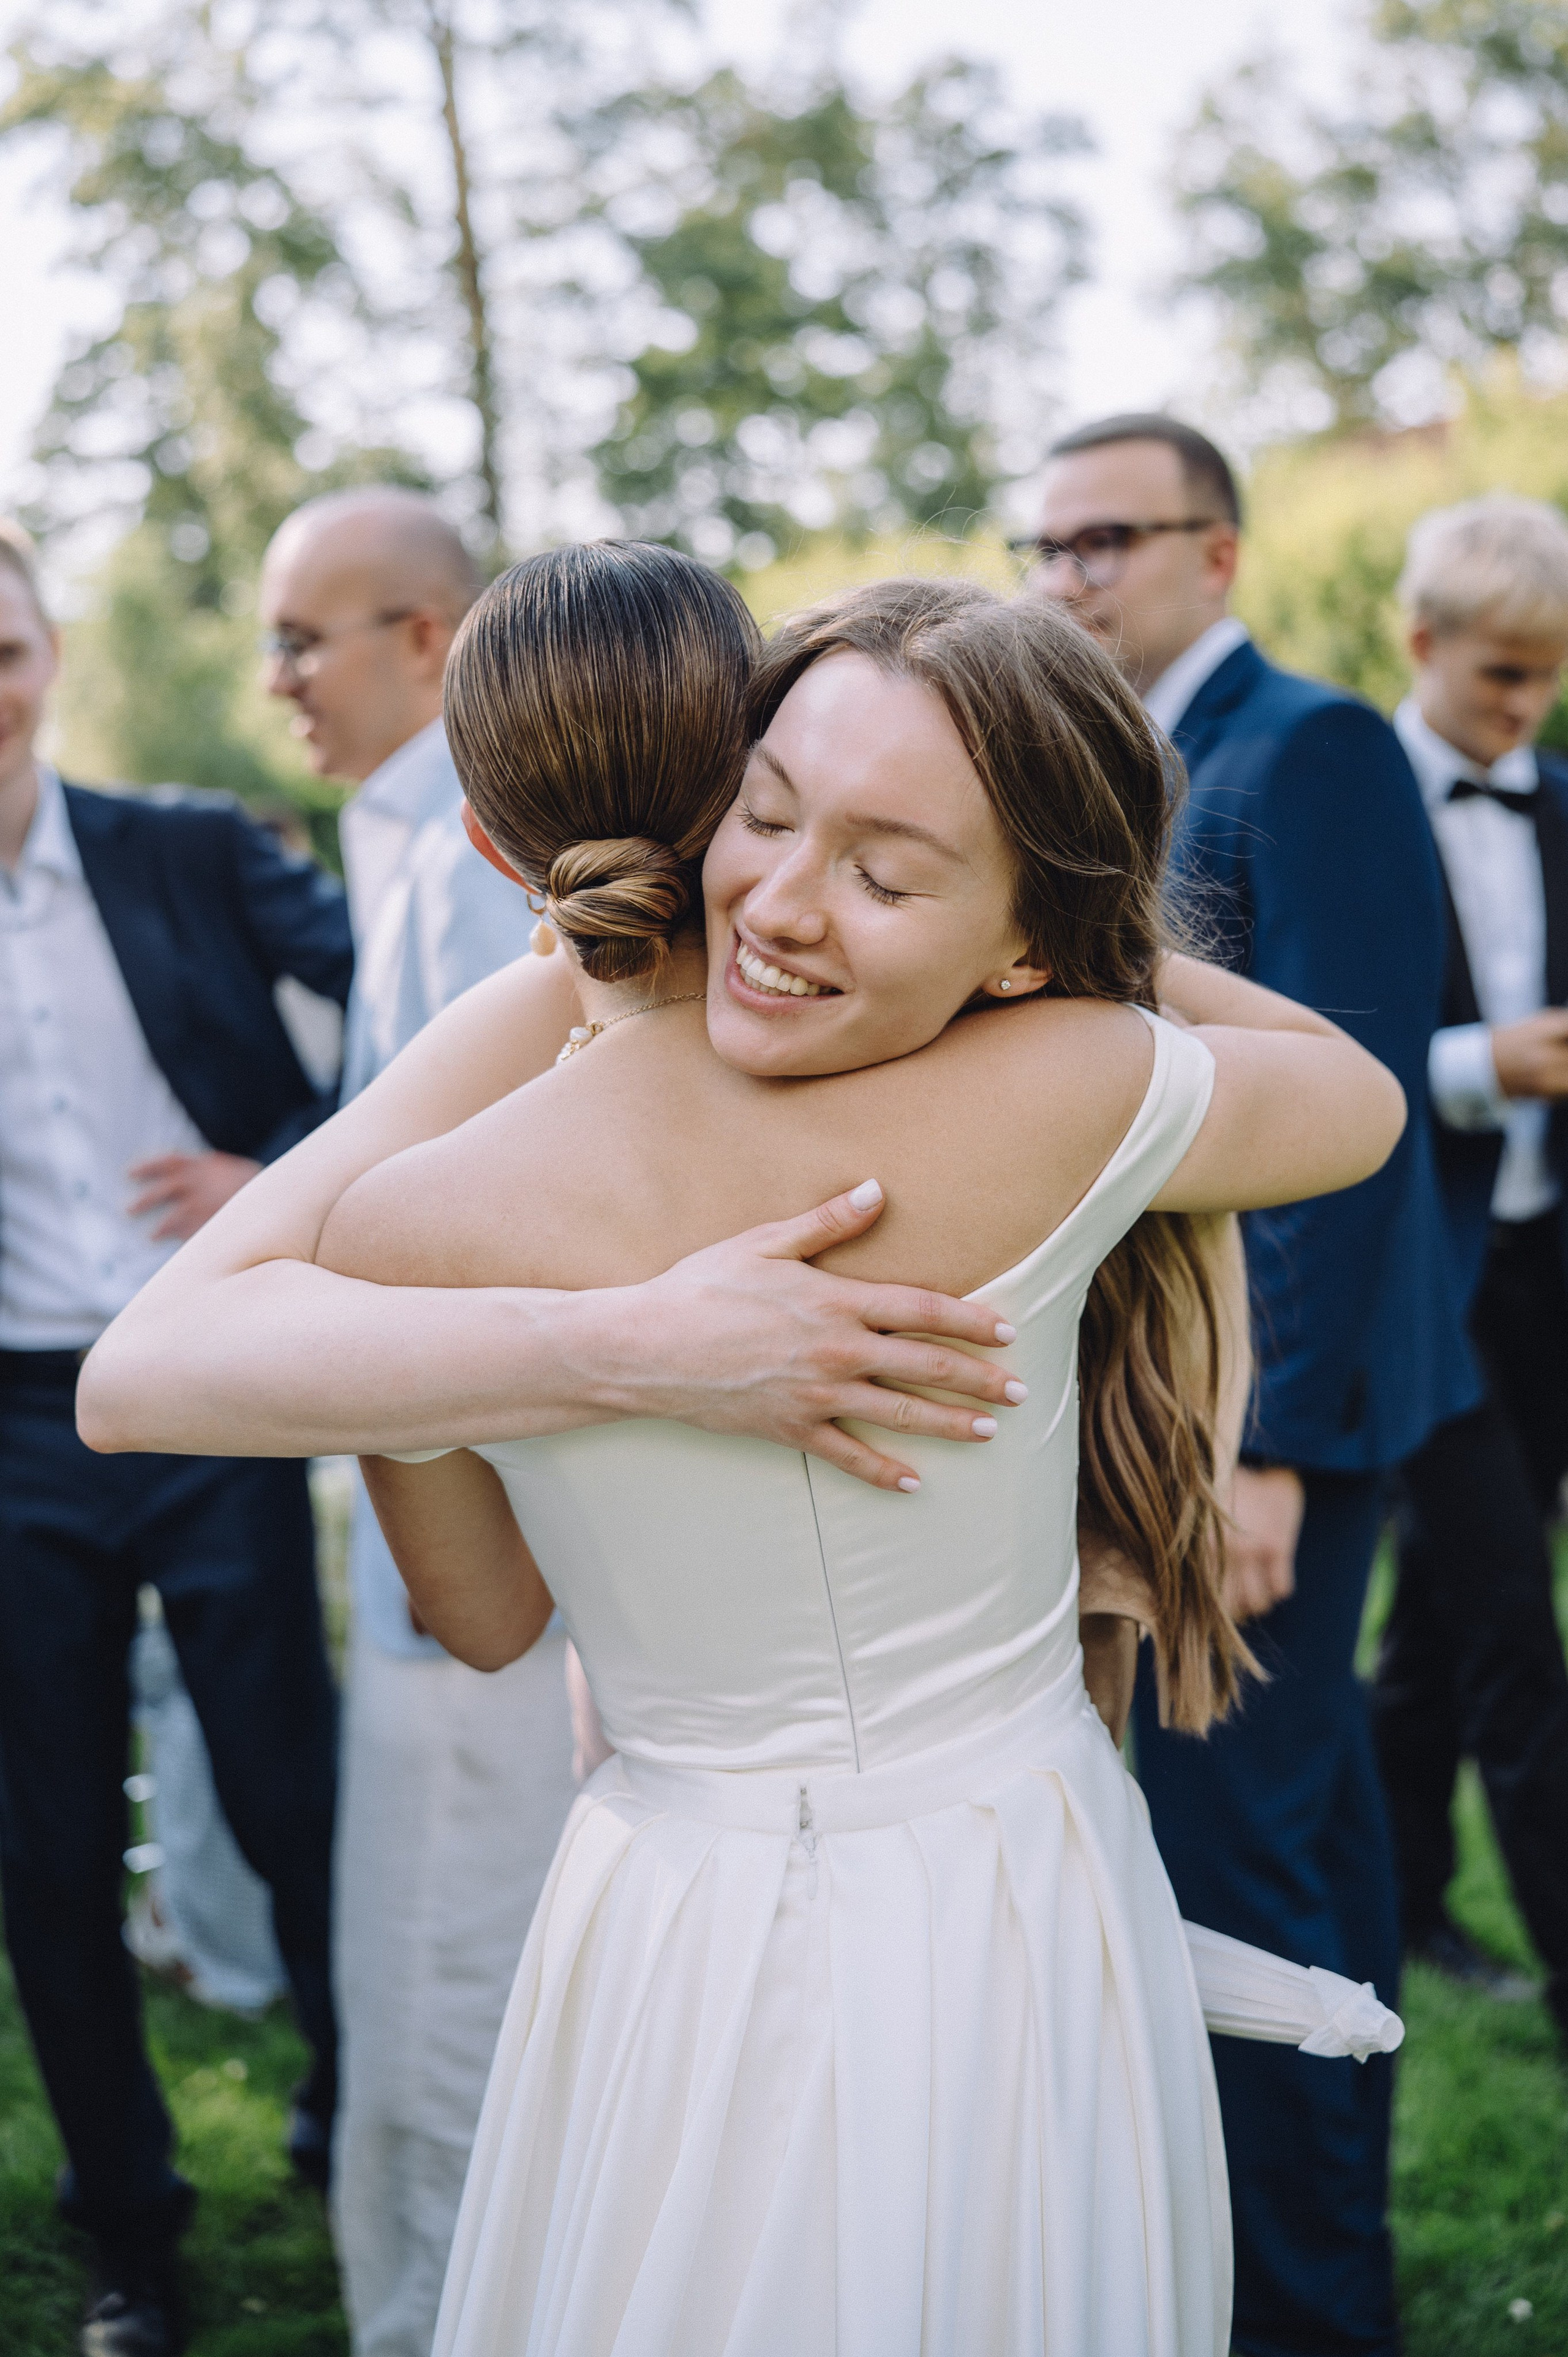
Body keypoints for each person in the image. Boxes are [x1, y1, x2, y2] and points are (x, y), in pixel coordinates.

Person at [85, 547, 1407, 2352]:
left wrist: (545, 1347)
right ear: (716, 788)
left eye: (879, 866)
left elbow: (477, 1614)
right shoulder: (1075, 1082)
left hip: (666, 1912)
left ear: (492, 846)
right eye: (766, 817)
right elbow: (1357, 1095)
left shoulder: (411, 1225)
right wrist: (1035, 918)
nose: (783, 903)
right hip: (1006, 1888)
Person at [1024, 413, 1477, 2357]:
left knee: (1241, 1863)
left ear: (1219, 552)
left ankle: (1297, 2308)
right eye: (1043, 544)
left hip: (1271, 1426)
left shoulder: (1320, 745)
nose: (1069, 576)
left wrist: (1262, 1454)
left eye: (1109, 537)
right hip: (1182, 1410)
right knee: (1301, 1848)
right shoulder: (1109, 768)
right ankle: (1310, 2272)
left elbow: (1354, 1117)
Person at [0, 521, 353, 2357]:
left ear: (47, 656)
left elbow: (424, 1008)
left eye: (2, 649)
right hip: (11, 1425)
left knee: (293, 1787)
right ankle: (131, 2229)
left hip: (213, 1377)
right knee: (46, 1846)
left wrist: (276, 1170)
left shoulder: (191, 854)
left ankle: (352, 2114)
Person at [257, 485, 581, 2357]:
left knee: (456, 1949)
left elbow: (478, 1195)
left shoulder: (484, 858)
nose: (279, 675)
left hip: (476, 1509)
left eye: (310, 636)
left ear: (433, 641)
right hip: (407, 1476)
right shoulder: (390, 842)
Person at [1371, 494, 1568, 2034]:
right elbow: (1294, 1033)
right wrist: (1473, 1062)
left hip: (1538, 1265)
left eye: (1546, 677)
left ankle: (1410, 1898)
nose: (1523, 710)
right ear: (1419, 643)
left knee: (1442, 1608)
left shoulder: (1553, 802)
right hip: (1412, 1273)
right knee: (1513, 1620)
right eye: (1501, 675)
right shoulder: (1340, 795)